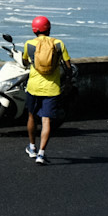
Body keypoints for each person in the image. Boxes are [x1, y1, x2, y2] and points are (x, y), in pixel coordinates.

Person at [22, 14, 69, 164]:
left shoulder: (29, 44)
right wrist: (67, 80)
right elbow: (68, 67)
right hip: (52, 88)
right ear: (49, 29)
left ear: (34, 30)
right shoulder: (59, 44)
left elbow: (24, 62)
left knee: (31, 116)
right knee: (46, 120)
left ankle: (32, 147)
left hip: (33, 86)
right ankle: (41, 153)